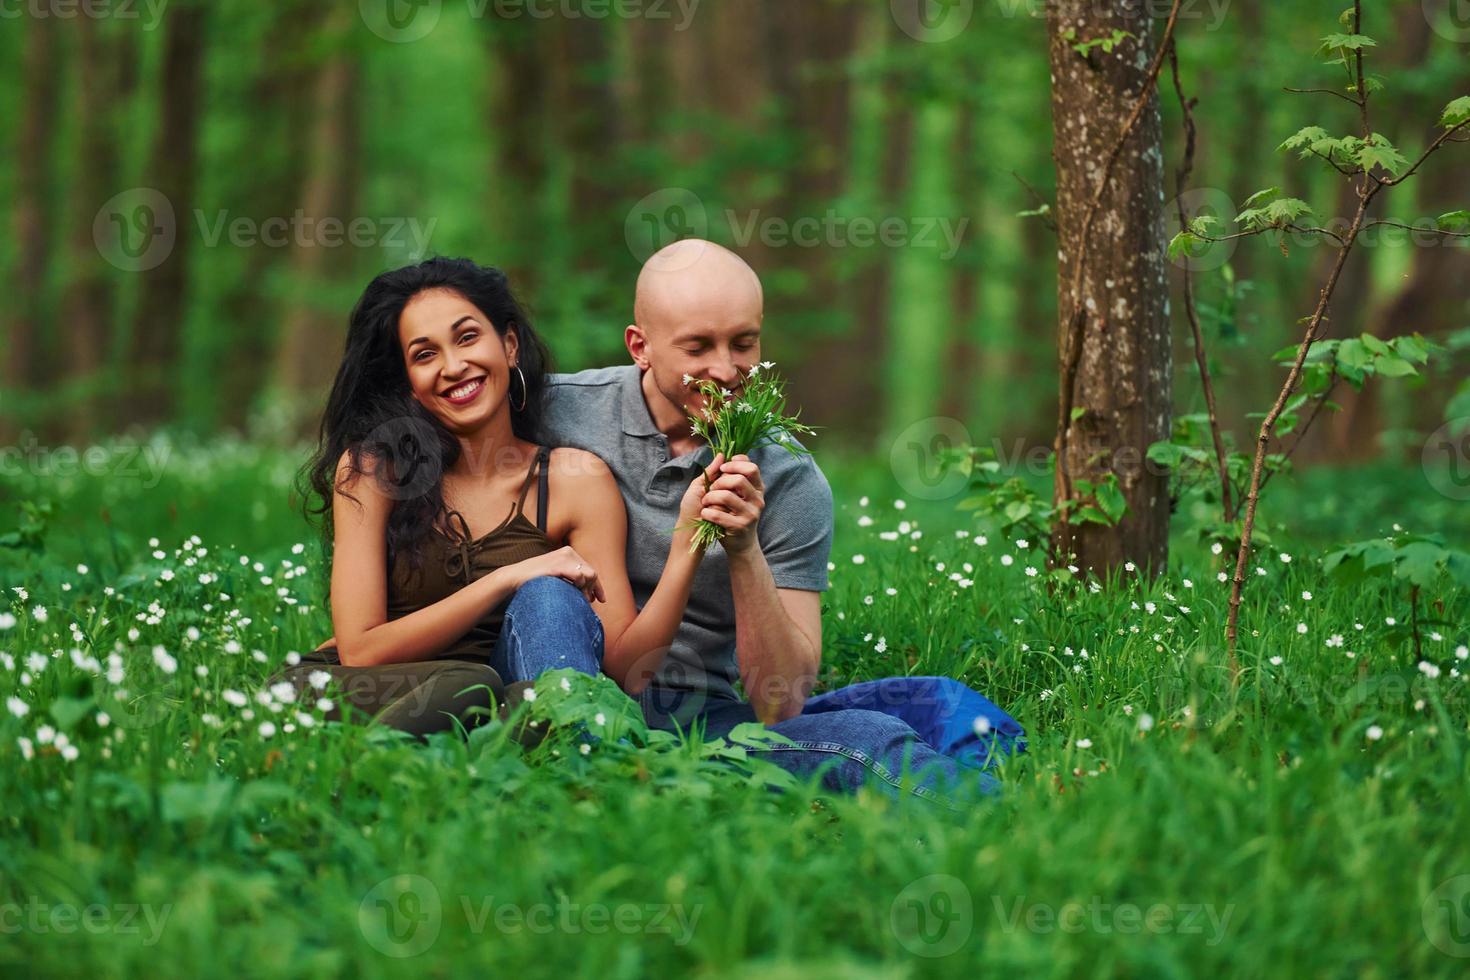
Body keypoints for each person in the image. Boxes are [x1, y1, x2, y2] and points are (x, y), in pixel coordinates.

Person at [540, 239, 1025, 808]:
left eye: (743, 343)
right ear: (640, 346)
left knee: (867, 738)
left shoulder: (788, 477)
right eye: (698, 346)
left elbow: (782, 704)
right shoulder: (559, 411)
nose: (725, 370)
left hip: (705, 719)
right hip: (569, 692)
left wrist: (744, 548)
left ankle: (1015, 824)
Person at [275, 257, 721, 738]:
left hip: (503, 692)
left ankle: (543, 750)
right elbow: (360, 651)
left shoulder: (574, 480)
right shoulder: (375, 469)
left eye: (467, 338)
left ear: (508, 345)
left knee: (529, 652)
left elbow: (623, 664)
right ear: (409, 383)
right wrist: (509, 577)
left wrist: (688, 544)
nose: (453, 365)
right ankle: (522, 749)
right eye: (425, 355)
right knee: (471, 686)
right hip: (357, 692)